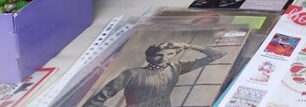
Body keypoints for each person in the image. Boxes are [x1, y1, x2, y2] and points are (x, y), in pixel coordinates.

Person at [82, 42, 226, 106]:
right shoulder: (132, 74)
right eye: (158, 55)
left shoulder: (176, 67)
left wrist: (191, 46)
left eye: (169, 54)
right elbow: (94, 102)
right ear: (148, 57)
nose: (164, 58)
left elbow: (218, 54)